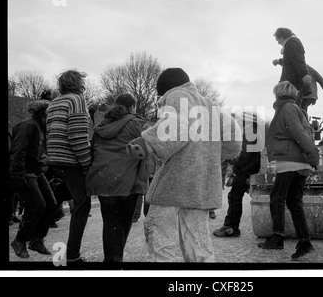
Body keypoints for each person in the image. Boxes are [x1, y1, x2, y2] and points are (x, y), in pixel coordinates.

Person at [126, 68, 241, 262]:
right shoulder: (212, 106)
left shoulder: (177, 95)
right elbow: (234, 143)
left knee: (160, 239)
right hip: (201, 187)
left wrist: (146, 143)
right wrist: (208, 152)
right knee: (198, 245)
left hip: (174, 183)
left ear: (165, 90)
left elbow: (179, 125)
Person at [259, 81, 319, 260]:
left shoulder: (287, 109)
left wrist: (313, 156)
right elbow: (304, 132)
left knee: (277, 197)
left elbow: (300, 133)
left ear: (279, 93)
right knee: (293, 202)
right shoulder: (292, 108)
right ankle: (305, 242)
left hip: (290, 161)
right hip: (296, 161)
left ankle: (278, 237)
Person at [86, 93, 149, 263]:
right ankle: (115, 263)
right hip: (127, 182)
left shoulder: (102, 124)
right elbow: (148, 150)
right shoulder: (137, 123)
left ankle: (111, 262)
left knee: (110, 223)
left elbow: (93, 150)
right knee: (123, 225)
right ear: (132, 107)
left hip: (104, 179)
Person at [46, 69, 92, 263]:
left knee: (61, 198)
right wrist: (87, 165)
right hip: (70, 159)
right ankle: (73, 256)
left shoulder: (54, 103)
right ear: (78, 83)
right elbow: (77, 136)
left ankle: (34, 235)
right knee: (82, 204)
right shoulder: (77, 100)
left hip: (54, 158)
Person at [9, 100, 57, 259]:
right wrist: (17, 176)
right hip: (25, 171)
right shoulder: (28, 126)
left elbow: (38, 152)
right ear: (43, 113)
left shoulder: (41, 128)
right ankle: (19, 240)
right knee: (37, 205)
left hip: (36, 171)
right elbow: (18, 152)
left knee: (51, 204)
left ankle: (37, 240)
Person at [213, 112, 261, 237]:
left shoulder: (250, 133)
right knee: (235, 197)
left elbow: (245, 155)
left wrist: (235, 167)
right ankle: (232, 226)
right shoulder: (255, 133)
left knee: (234, 198)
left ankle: (231, 227)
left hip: (245, 171)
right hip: (250, 169)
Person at [272, 27, 313, 109]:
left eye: (278, 40)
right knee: (290, 107)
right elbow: (290, 60)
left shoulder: (292, 44)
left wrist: (304, 75)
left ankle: (295, 121)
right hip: (291, 83)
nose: (278, 43)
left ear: (281, 36)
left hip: (292, 84)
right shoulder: (291, 45)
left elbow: (298, 60)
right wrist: (279, 61)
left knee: (290, 107)